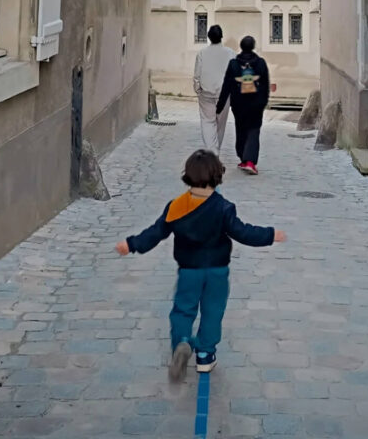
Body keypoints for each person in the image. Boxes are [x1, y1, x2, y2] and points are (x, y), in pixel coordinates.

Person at [115, 149, 286, 380]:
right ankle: (205, 355)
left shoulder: (176, 207)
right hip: (217, 271)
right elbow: (243, 232)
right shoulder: (223, 207)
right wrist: (270, 234)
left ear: (187, 175)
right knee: (212, 312)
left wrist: (131, 244)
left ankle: (182, 342)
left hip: (189, 271)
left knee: (183, 310)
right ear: (218, 175)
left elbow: (156, 233)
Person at [216, 35, 269, 175]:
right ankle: (250, 161)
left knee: (240, 128)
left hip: (239, 103)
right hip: (255, 103)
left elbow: (226, 85)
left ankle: (244, 158)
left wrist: (220, 105)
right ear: (253, 46)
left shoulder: (233, 64)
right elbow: (265, 85)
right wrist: (263, 102)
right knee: (254, 130)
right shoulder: (261, 63)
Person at [193, 24, 234, 156]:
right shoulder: (230, 53)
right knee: (220, 125)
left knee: (207, 122)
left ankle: (212, 151)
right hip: (224, 95)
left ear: (209, 37)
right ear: (221, 37)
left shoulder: (202, 53)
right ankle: (215, 151)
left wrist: (198, 90)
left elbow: (197, 76)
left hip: (206, 94)